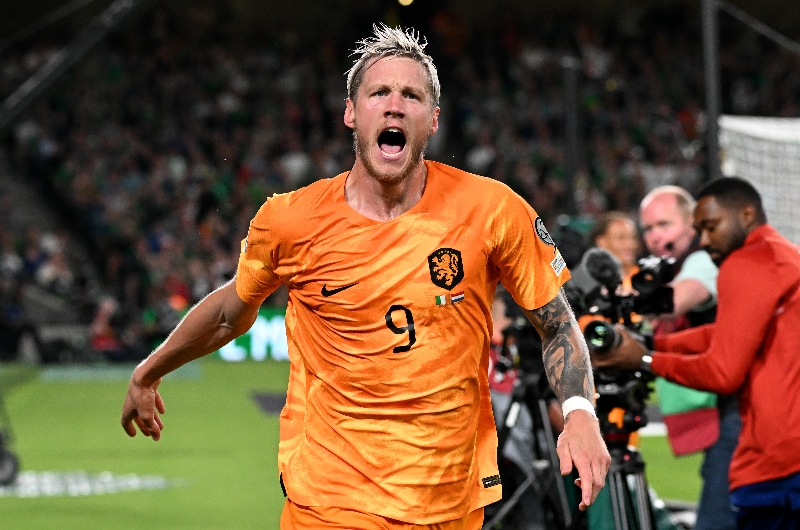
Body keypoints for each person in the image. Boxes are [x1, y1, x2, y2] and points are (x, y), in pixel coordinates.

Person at [120, 25, 610, 529]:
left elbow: (555, 323)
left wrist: (579, 412)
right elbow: (228, 314)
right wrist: (148, 371)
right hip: (331, 504)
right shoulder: (291, 220)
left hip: (451, 504)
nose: (395, 105)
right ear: (352, 114)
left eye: (411, 95)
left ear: (433, 120)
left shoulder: (492, 210)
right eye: (379, 92)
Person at [595, 177, 800, 529]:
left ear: (747, 214)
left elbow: (723, 372)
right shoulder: (783, 253)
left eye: (711, 227)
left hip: (776, 458)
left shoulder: (744, 263)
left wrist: (643, 360)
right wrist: (655, 345)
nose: (704, 240)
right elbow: (727, 332)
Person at [639, 185, 739, 530]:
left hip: (735, 409)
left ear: (691, 225)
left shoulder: (701, 260)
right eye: (649, 228)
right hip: (726, 408)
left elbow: (679, 298)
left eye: (664, 224)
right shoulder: (682, 264)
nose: (655, 236)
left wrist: (629, 303)